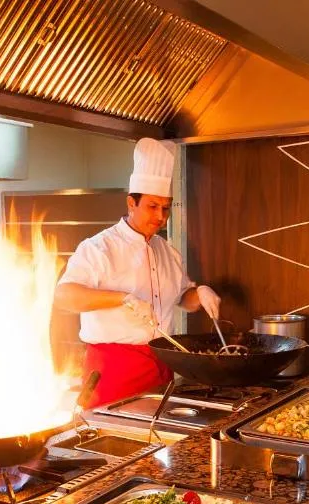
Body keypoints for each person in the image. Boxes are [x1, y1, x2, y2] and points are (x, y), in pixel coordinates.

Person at [54, 138, 221, 407]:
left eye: (166, 208)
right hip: (114, 370)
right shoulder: (99, 248)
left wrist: (200, 293)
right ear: (131, 203)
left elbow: (184, 299)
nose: (161, 217)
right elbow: (65, 296)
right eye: (152, 206)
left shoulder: (167, 251)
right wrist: (123, 298)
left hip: (162, 365)